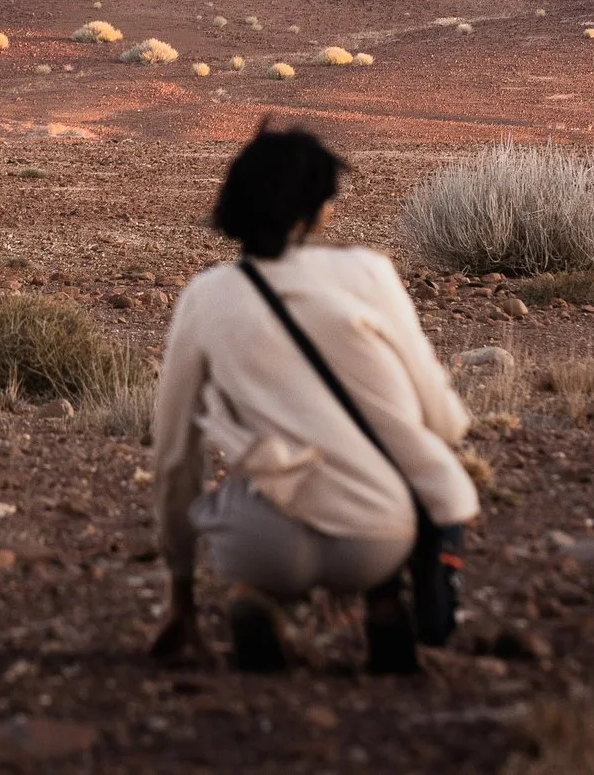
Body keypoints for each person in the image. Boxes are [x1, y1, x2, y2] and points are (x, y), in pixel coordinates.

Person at [148, 124, 480, 674]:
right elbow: (441, 419)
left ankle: (251, 599)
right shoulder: (370, 273)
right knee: (386, 528)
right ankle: (383, 601)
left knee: (248, 501)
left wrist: (180, 593)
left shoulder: (205, 296)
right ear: (320, 207)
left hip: (261, 539)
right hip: (380, 529)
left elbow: (177, 459)